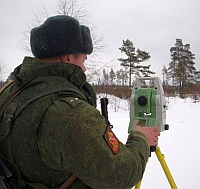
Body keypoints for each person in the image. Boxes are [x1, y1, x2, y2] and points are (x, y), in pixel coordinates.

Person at [0, 15, 160, 189]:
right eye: (83, 60)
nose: (84, 68)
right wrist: (141, 137)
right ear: (67, 58)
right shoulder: (69, 112)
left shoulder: (9, 91)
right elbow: (122, 175)